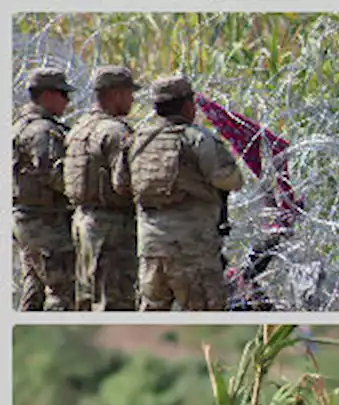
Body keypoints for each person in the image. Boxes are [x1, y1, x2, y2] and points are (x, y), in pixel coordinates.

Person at [126, 74, 245, 311]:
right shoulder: (197, 139)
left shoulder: (138, 141)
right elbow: (231, 179)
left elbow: (122, 183)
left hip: (150, 249)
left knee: (151, 315)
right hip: (192, 249)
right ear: (188, 105)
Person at [64, 65, 141, 311]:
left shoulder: (79, 129)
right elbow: (124, 183)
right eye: (130, 93)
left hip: (82, 222)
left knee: (86, 297)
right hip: (111, 229)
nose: (132, 99)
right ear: (116, 94)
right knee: (114, 301)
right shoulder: (116, 133)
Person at [13, 67, 76, 311]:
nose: (67, 101)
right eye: (63, 94)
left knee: (34, 290)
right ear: (47, 95)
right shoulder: (42, 131)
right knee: (62, 292)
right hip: (45, 223)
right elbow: (52, 173)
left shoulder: (18, 126)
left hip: (27, 220)